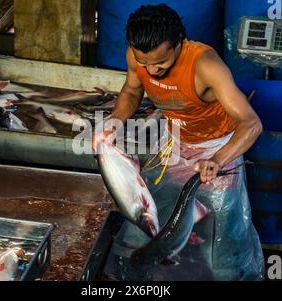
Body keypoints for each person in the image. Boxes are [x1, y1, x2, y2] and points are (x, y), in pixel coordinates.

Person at [93, 4, 265, 280]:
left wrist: (217, 160)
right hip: (173, 141)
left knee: (222, 239)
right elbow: (131, 90)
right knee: (148, 219)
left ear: (179, 44)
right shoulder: (137, 55)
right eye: (144, 62)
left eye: (160, 63)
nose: (151, 70)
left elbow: (252, 123)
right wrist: (112, 123)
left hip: (217, 147)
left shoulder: (205, 65)